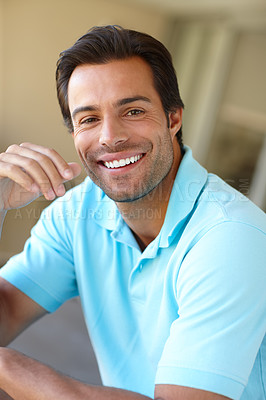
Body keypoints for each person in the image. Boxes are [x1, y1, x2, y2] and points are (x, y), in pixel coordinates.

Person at [0, 25, 265, 400]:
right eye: (89, 119)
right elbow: (5, 312)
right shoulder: (78, 213)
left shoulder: (231, 236)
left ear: (173, 119)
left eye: (133, 110)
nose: (110, 136)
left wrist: (7, 367)